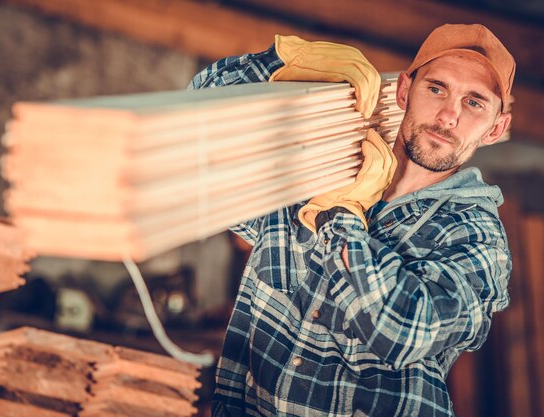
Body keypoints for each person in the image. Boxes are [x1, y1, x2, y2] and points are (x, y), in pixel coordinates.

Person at [189, 24, 514, 417]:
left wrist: (340, 216)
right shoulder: (319, 166)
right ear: (403, 90)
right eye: (437, 88)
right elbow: (195, 120)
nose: (448, 115)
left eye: (474, 102)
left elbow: (403, 332)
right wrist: (285, 60)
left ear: (496, 129)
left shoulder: (476, 236)